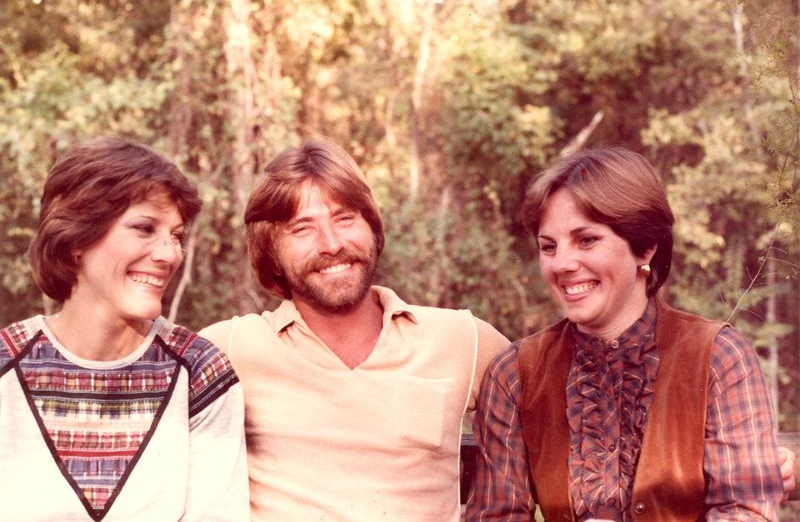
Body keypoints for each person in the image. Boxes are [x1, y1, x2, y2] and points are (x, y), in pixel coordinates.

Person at [466, 147, 787, 521]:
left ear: (645, 246)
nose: (562, 264)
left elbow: (745, 512)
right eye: (548, 247)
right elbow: (497, 516)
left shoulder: (720, 358)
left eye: (587, 240)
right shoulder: (514, 374)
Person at [199, 137, 509, 521]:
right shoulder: (230, 349)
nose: (332, 244)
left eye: (345, 218)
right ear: (271, 252)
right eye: (302, 228)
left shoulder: (462, 338)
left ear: (372, 229)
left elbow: (561, 403)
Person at [0, 137, 249, 521]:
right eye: (144, 228)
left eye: (176, 236)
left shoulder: (201, 374)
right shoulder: (6, 364)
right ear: (75, 239)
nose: (168, 254)